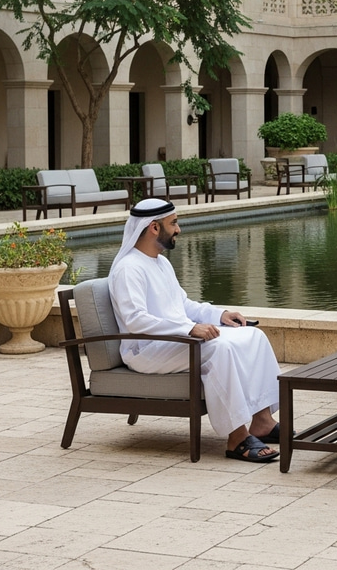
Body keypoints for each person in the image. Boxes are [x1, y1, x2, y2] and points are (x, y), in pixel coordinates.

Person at [108, 198, 282, 463]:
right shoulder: (128, 268)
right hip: (146, 349)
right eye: (174, 223)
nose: (178, 229)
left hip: (173, 341)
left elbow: (183, 305)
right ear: (154, 228)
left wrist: (219, 315)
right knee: (219, 349)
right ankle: (237, 438)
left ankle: (263, 422)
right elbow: (136, 321)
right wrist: (189, 328)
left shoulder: (160, 263)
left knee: (253, 336)